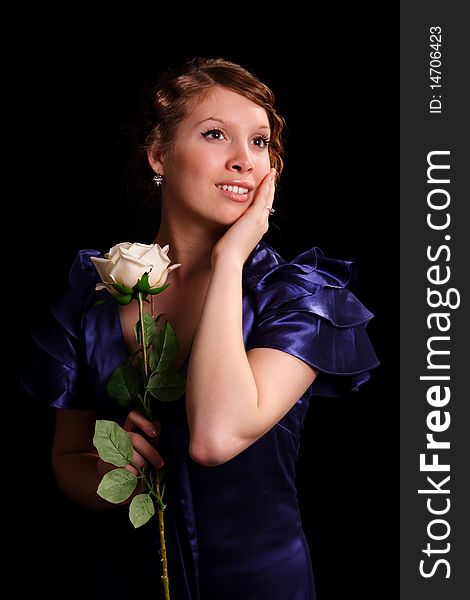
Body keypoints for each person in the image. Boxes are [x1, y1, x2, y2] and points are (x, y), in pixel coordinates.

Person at [22, 57, 379, 600]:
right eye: (216, 134)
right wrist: (110, 477)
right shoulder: (90, 297)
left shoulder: (302, 297)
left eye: (259, 143)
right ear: (159, 154)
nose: (244, 160)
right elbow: (67, 458)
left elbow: (215, 436)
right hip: (127, 586)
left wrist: (232, 258)